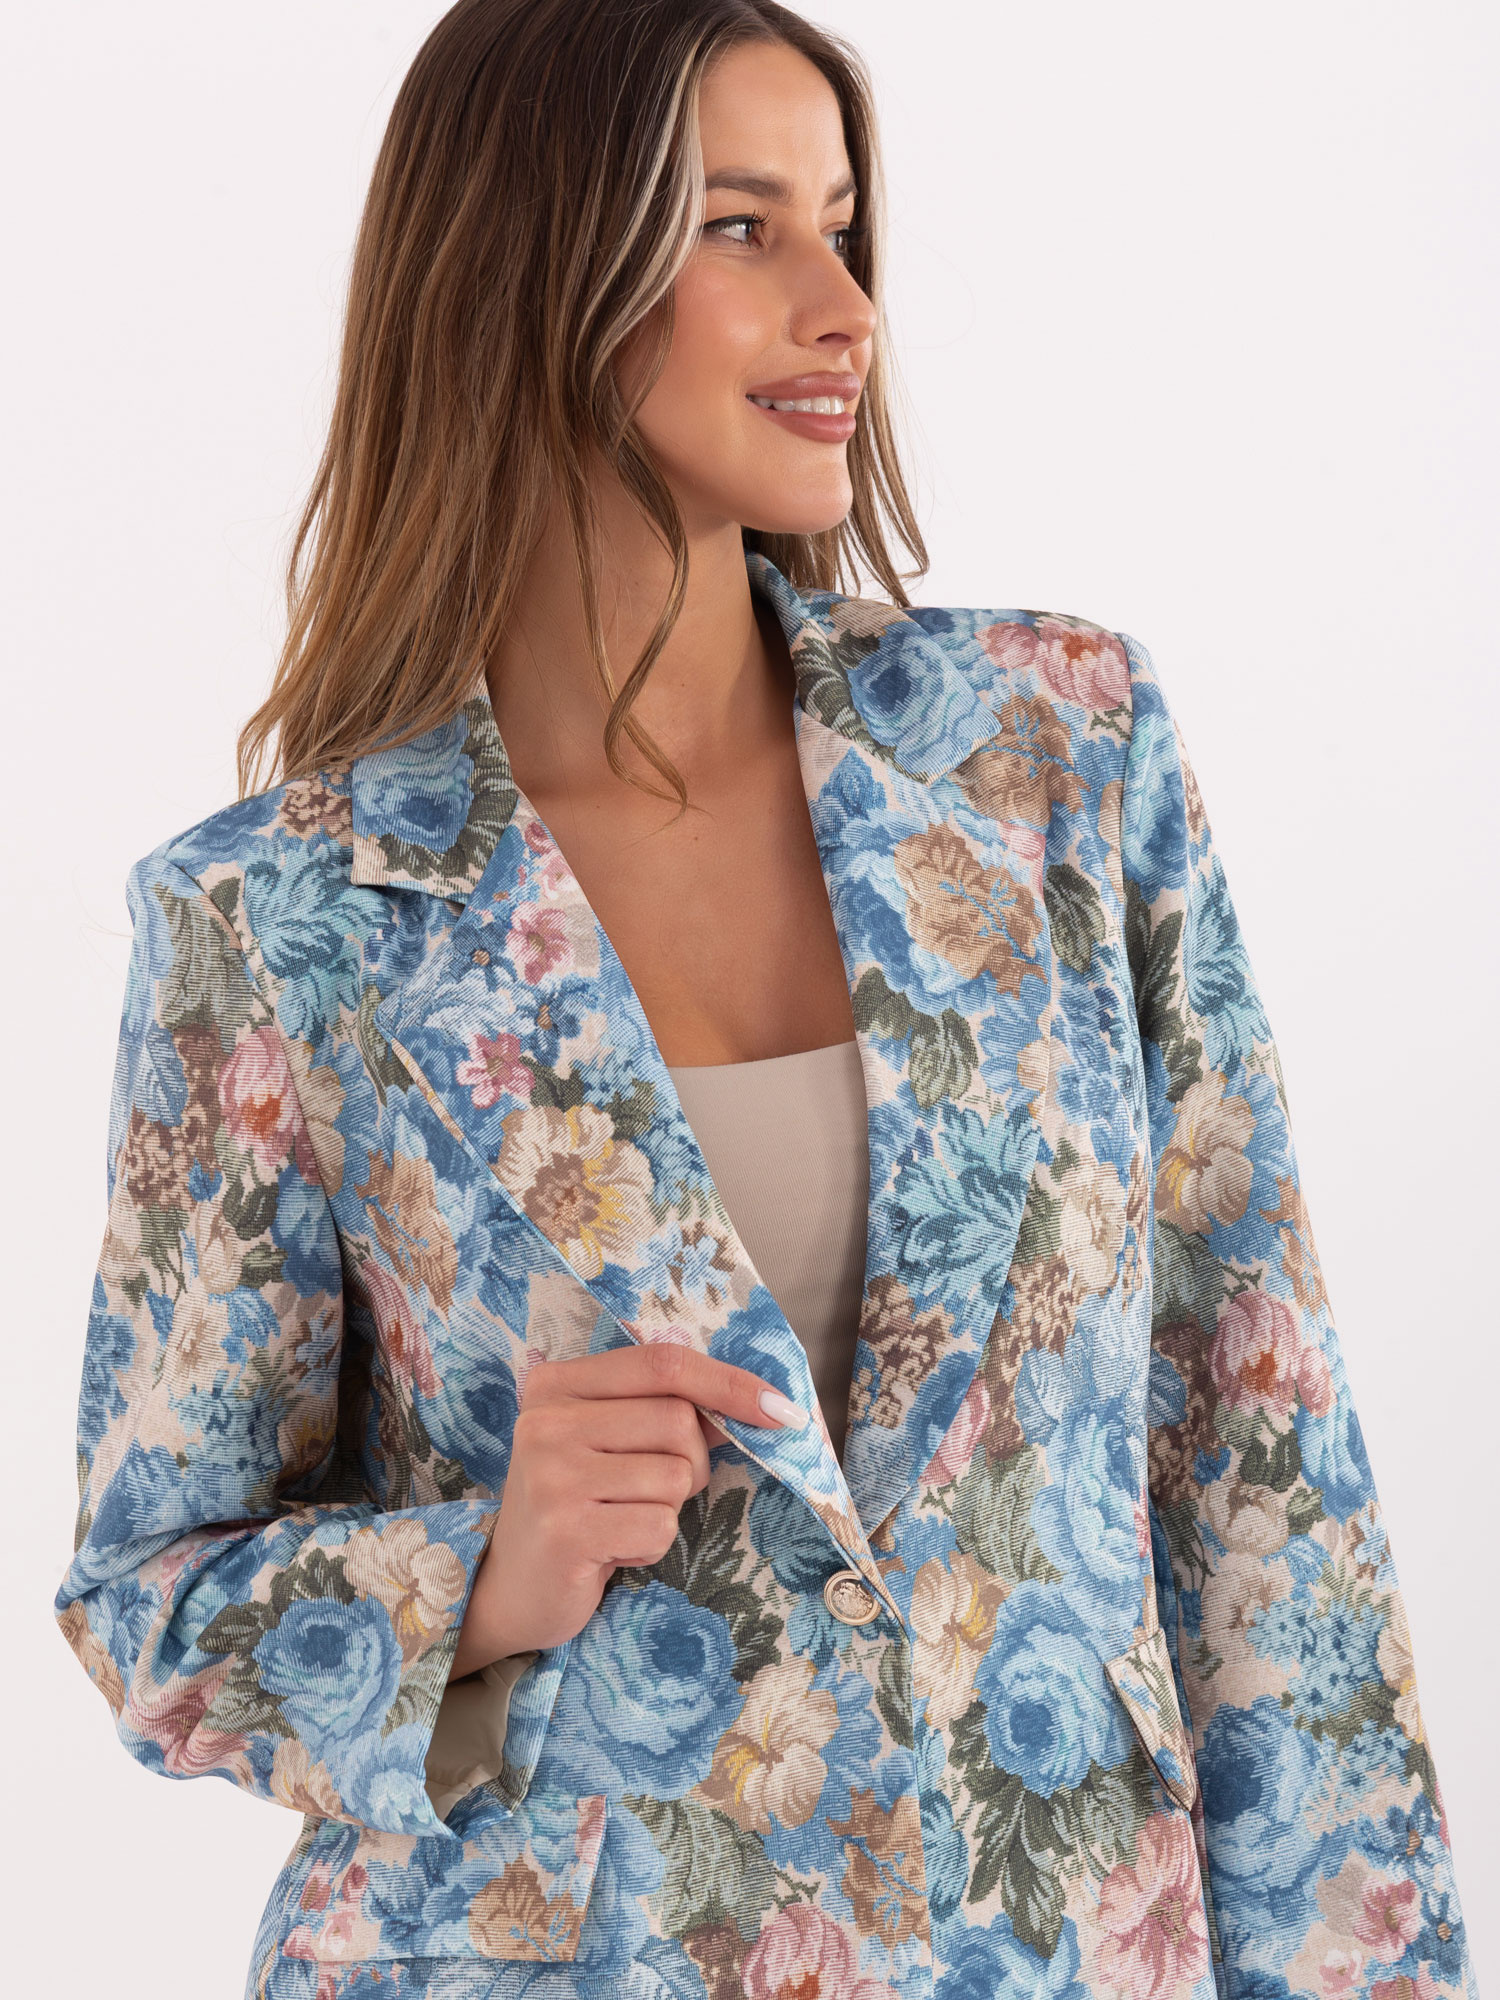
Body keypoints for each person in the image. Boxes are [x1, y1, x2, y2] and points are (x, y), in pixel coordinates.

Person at [55, 3, 1476, 1997]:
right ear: (531, 269)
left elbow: (1261, 1468)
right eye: (742, 227)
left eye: (845, 227)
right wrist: (472, 1575)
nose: (846, 308)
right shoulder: (276, 920)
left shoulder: (1054, 753)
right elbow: (149, 1591)